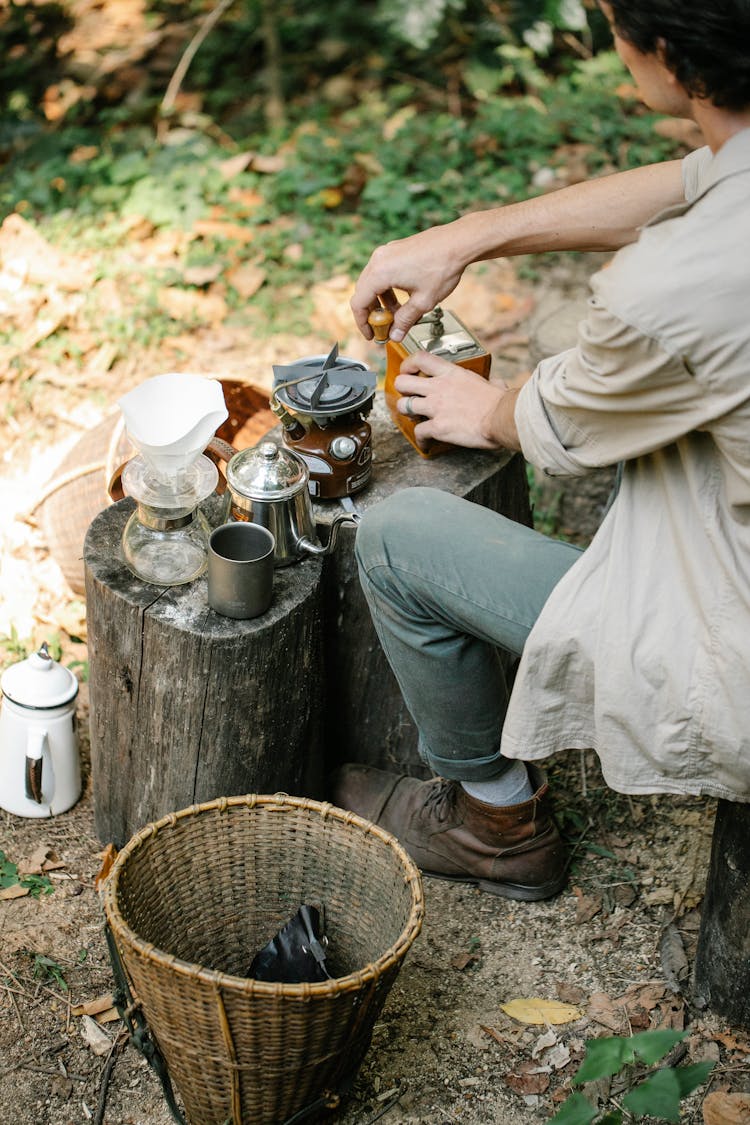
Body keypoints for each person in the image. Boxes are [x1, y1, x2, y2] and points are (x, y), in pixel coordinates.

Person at [331, 0, 750, 902]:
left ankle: (496, 822)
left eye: (613, 22)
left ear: (669, 59)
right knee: (569, 332)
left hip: (735, 649)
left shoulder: (673, 288)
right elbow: (693, 183)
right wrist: (470, 233)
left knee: (398, 538)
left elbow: (546, 425)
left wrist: (483, 406)